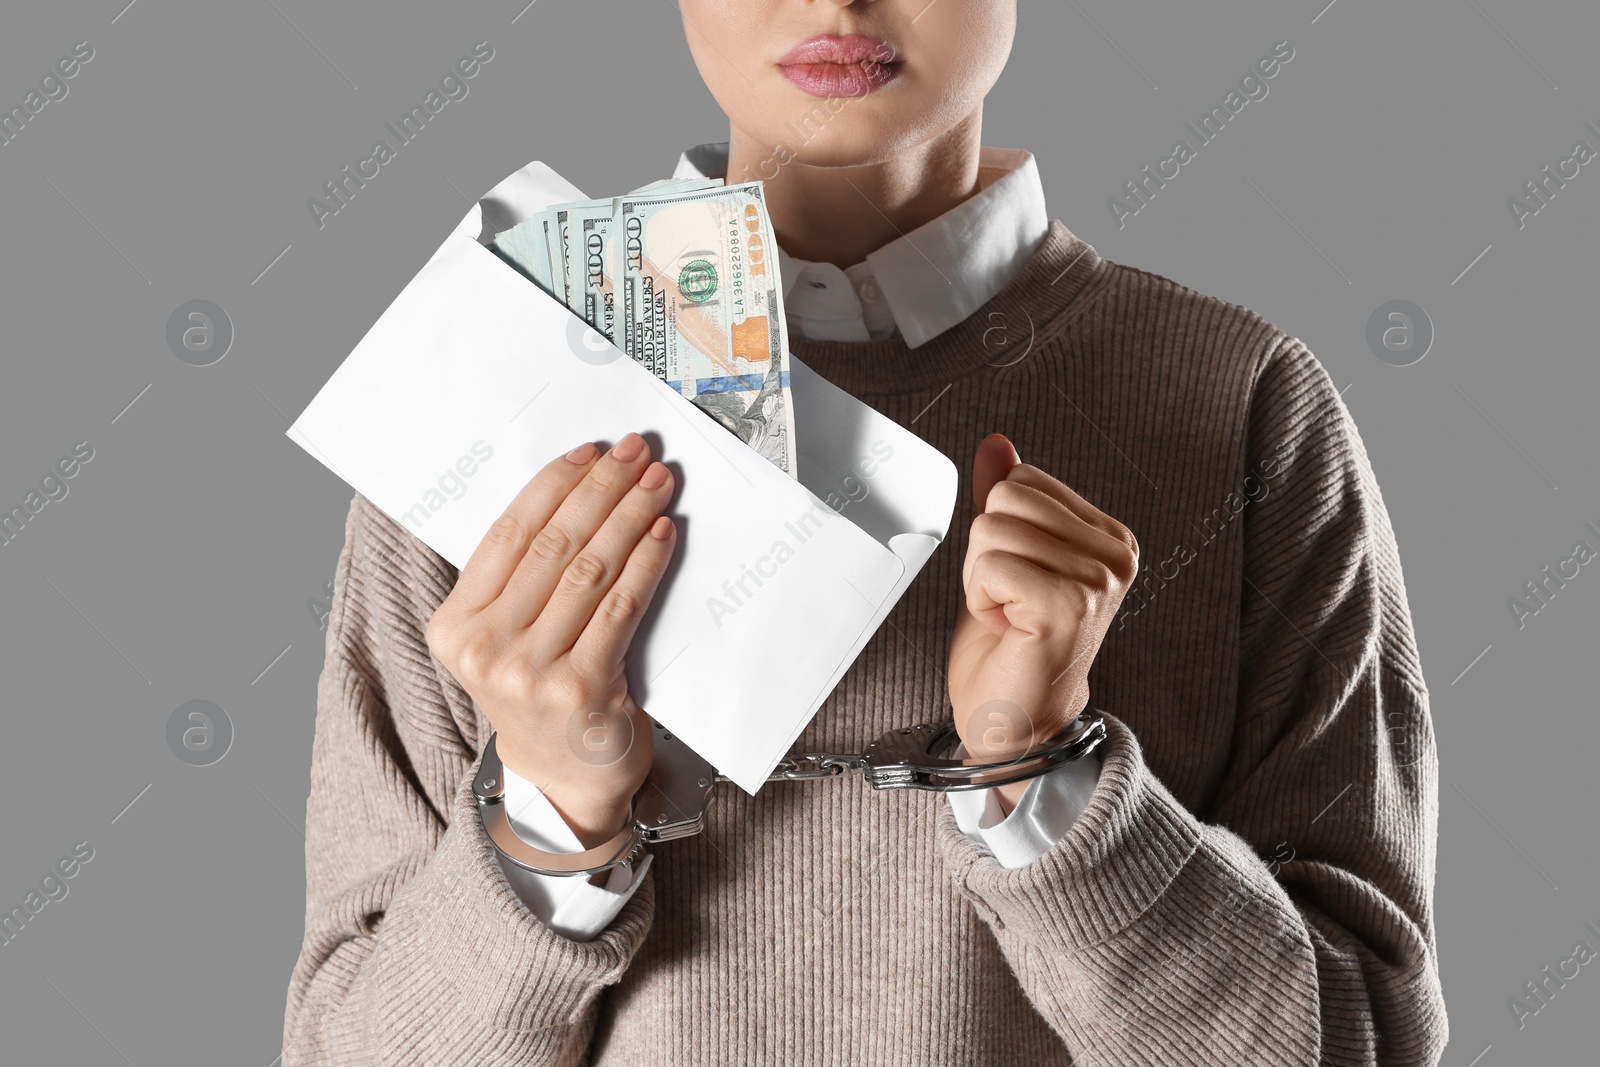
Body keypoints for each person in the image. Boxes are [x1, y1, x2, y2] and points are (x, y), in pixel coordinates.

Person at [282, 1, 1447, 1064]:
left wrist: (1041, 773)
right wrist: (550, 806)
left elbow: (1363, 1041)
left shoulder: (1237, 401)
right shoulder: (483, 397)